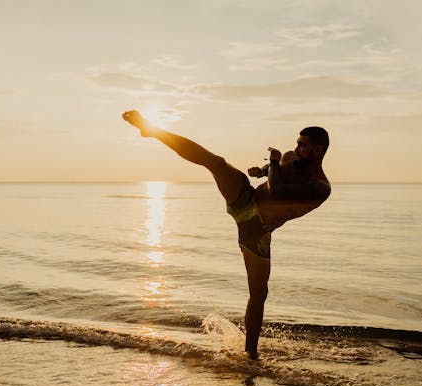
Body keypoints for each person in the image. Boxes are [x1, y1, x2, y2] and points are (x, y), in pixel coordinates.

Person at [122, 110, 331, 359]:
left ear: (318, 151)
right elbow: (275, 173)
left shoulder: (320, 187)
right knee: (216, 162)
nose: (296, 149)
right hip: (245, 199)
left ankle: (250, 355)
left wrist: (273, 165)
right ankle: (153, 130)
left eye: (303, 146)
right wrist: (263, 170)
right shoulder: (288, 159)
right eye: (297, 143)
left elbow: (278, 190)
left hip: (258, 233)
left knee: (259, 294)